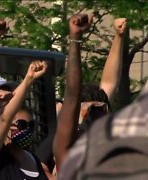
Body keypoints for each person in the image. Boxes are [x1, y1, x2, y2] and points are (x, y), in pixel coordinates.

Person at [53, 14, 127, 170]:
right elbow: (73, 94)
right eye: (88, 114)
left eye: (100, 113)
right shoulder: (68, 154)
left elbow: (109, 82)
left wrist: (118, 37)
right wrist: (75, 39)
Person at [0, 60, 49, 179]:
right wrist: (28, 79)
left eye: (32, 125)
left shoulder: (33, 159)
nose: (27, 130)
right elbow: (4, 118)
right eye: (22, 125)